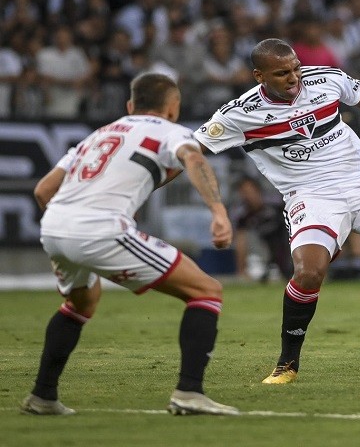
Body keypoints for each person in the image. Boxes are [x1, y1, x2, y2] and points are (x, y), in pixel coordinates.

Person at [194, 39, 360, 384]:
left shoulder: (325, 78)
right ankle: (287, 362)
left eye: (296, 67)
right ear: (259, 76)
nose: (294, 77)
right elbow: (190, 152)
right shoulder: (239, 113)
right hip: (311, 198)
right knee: (309, 274)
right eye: (282, 73)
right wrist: (147, 178)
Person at [22, 73, 238, 416]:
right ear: (172, 108)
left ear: (129, 106)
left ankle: (43, 396)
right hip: (101, 228)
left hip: (55, 226)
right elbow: (194, 160)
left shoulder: (98, 135)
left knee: (82, 301)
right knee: (206, 290)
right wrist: (219, 212)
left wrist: (70, 234)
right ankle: (189, 392)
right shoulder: (171, 131)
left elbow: (42, 191)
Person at [232, 175, 292, 282]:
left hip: (287, 238)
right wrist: (241, 269)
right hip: (268, 246)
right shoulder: (243, 214)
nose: (248, 195)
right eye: (244, 192)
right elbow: (241, 241)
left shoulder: (276, 203)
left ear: (257, 190)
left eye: (250, 191)